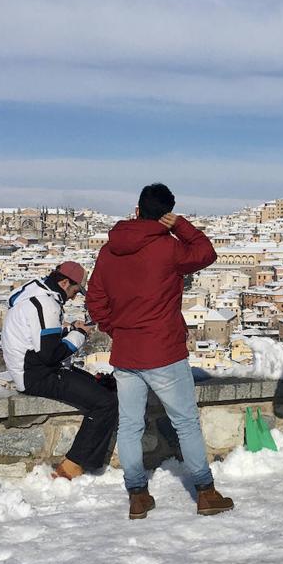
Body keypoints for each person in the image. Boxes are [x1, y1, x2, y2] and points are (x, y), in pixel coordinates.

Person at [86, 183, 235, 519]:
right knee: (185, 423)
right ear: (166, 213)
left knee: (129, 425)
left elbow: (95, 300)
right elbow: (206, 252)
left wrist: (117, 329)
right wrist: (180, 225)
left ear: (137, 210)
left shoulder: (109, 251)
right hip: (164, 351)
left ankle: (137, 494)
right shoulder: (169, 248)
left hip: (126, 353)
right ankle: (205, 492)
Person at [1, 261, 115, 480]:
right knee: (105, 402)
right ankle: (74, 466)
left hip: (31, 369)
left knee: (100, 386)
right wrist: (79, 335)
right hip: (36, 375)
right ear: (64, 282)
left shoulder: (35, 295)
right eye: (74, 291)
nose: (73, 297)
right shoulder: (47, 305)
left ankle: (84, 463)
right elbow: (50, 355)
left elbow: (42, 341)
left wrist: (70, 330)